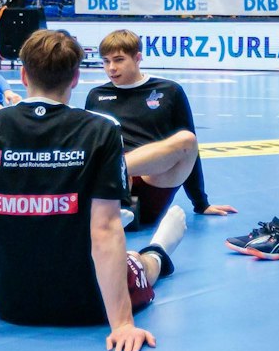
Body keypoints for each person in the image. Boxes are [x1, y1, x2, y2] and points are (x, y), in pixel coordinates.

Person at [0, 29, 187, 351]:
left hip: (12, 306)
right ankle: (158, 251)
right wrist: (121, 324)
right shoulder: (101, 130)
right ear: (75, 78)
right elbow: (105, 231)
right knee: (138, 263)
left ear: (23, 75)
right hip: (90, 307)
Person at [84, 30, 234, 228]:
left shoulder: (169, 91)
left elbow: (191, 152)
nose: (111, 68)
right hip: (111, 182)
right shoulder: (96, 96)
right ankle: (117, 197)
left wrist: (201, 203)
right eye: (106, 61)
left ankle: (120, 182)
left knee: (187, 140)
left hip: (154, 178)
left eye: (119, 60)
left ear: (137, 58)